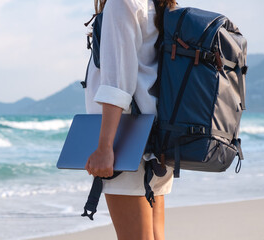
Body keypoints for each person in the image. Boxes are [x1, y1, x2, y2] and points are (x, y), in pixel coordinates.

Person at [83, 0, 176, 239]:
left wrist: (104, 147)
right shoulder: (157, 2)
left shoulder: (121, 3)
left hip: (127, 143)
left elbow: (117, 83)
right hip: (158, 140)